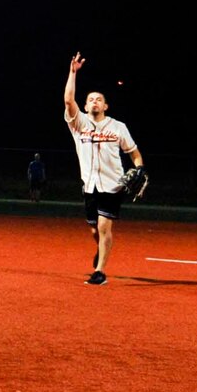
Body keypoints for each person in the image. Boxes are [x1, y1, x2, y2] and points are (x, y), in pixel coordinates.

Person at [62, 53, 144, 286]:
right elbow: (68, 100)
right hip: (89, 184)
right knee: (93, 230)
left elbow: (134, 153)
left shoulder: (118, 127)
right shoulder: (79, 125)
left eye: (99, 99)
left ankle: (100, 272)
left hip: (113, 184)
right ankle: (101, 249)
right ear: (85, 105)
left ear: (105, 105)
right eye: (91, 99)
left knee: (104, 225)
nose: (95, 101)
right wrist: (73, 72)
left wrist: (139, 169)